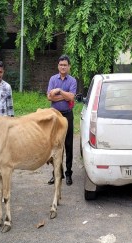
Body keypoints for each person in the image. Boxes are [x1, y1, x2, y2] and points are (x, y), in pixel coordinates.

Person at [46, 54, 77, 186]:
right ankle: (57, 173)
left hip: (67, 115)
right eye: (61, 65)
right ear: (58, 66)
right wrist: (65, 96)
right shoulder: (53, 79)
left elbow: (71, 97)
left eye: (65, 65)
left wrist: (58, 91)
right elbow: (49, 97)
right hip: (55, 116)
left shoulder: (72, 81)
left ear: (69, 66)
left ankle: (69, 173)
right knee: (55, 145)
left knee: (68, 145)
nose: (63, 67)